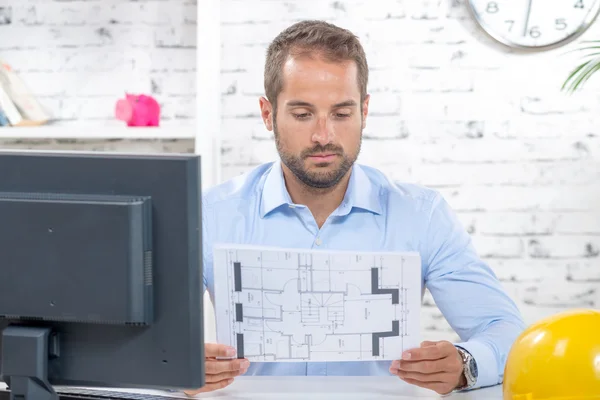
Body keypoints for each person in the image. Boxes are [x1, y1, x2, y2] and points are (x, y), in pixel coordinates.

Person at [186, 20, 526, 396]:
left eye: (342, 114)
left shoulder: (422, 214)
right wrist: (175, 366)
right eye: (302, 114)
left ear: (364, 110)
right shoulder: (208, 214)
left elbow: (505, 328)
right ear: (268, 114)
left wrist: (465, 363)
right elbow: (142, 345)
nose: (323, 136)